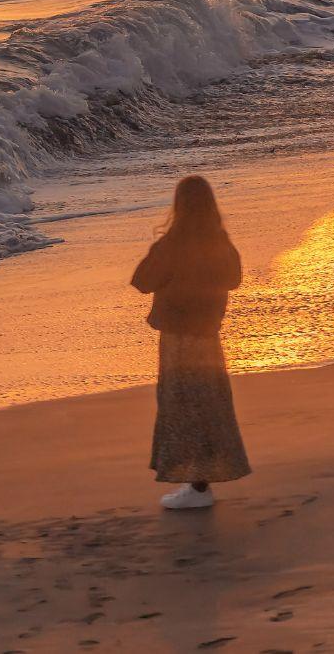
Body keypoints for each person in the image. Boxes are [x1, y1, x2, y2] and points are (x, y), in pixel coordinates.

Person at [131, 173, 250, 511]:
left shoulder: (172, 244)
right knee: (210, 402)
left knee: (182, 404)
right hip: (208, 334)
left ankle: (197, 487)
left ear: (178, 206)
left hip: (179, 336)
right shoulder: (220, 242)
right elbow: (234, 280)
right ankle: (200, 482)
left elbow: (142, 280)